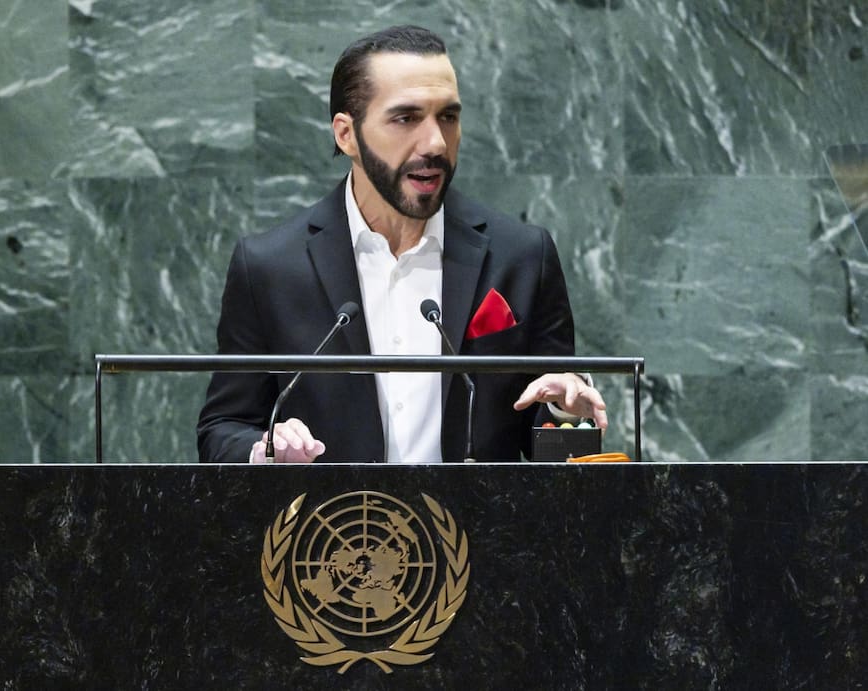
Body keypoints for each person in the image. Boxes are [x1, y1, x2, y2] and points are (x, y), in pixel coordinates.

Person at [197, 25, 607, 464]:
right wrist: (266, 452)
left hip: (475, 530)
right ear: (346, 134)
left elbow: (553, 452)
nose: (435, 142)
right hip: (330, 530)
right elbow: (224, 428)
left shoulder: (523, 256)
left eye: (448, 117)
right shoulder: (269, 267)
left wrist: (567, 414)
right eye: (406, 118)